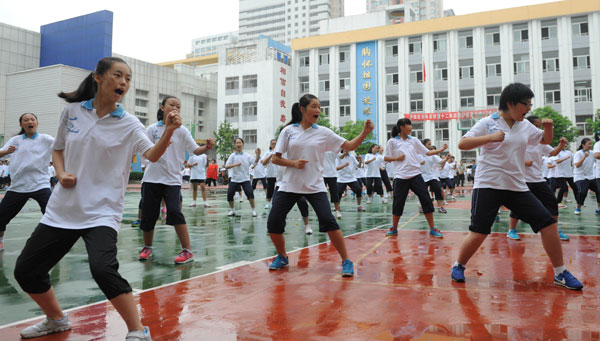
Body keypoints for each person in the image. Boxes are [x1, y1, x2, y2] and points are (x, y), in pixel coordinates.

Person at [12, 57, 183, 339]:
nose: (124, 83)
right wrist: (62, 172)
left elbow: (151, 155)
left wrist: (169, 132)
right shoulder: (73, 112)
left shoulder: (129, 123)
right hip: (63, 209)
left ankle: (138, 331)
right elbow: (58, 149)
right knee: (27, 271)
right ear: (99, 77)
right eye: (118, 75)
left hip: (102, 211)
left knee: (103, 269)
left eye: (128, 79)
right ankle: (56, 319)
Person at [450, 83, 582, 290]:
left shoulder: (525, 126)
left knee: (547, 224)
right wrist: (491, 138)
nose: (529, 108)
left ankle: (560, 273)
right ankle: (459, 265)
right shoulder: (488, 123)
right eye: (525, 104)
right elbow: (463, 144)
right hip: (488, 184)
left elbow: (545, 140)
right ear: (511, 103)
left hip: (517, 185)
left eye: (530, 104)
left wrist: (549, 127)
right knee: (480, 231)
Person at [267, 94, 374, 277]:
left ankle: (346, 261)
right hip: (289, 186)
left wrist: (364, 133)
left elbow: (348, 146)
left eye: (319, 106)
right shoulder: (288, 131)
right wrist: (293, 163)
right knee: (273, 223)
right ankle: (282, 256)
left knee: (329, 221)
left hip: (315, 186)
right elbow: (276, 158)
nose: (317, 110)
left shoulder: (324, 133)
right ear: (302, 109)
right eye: (313, 106)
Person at [138, 96, 214, 265]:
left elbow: (195, 150)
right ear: (162, 107)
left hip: (172, 179)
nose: (175, 108)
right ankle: (147, 247)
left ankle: (187, 250)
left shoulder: (182, 131)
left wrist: (207, 147)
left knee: (174, 211)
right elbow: (146, 151)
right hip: (152, 178)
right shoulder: (151, 129)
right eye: (172, 104)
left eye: (178, 106)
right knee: (148, 213)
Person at [506, 116, 568, 241]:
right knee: (518, 207)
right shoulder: (520, 141)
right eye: (537, 125)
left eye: (540, 126)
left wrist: (561, 146)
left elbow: (552, 153)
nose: (539, 128)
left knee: (552, 203)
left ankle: (554, 229)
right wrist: (523, 161)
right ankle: (511, 230)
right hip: (523, 180)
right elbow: (508, 156)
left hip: (538, 179)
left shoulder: (541, 142)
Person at [0, 113, 54, 253]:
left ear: (37, 123)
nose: (30, 121)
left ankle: (56, 242)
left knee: (52, 214)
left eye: (32, 119)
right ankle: (0, 242)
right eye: (26, 120)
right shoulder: (15, 140)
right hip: (18, 187)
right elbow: (1, 153)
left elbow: (61, 148)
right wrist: (7, 150)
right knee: (1, 216)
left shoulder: (46, 139)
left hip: (40, 184)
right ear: (21, 125)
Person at [384, 120, 446, 237]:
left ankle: (433, 228)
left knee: (426, 200)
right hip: (400, 176)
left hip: (416, 175)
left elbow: (427, 152)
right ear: (402, 127)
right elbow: (386, 158)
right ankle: (394, 227)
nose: (411, 127)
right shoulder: (392, 142)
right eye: (409, 125)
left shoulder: (414, 140)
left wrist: (440, 150)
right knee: (398, 202)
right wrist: (397, 159)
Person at [225, 138, 259, 217]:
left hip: (245, 178)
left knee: (250, 193)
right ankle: (232, 210)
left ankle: (253, 210)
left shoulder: (247, 155)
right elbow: (227, 166)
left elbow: (255, 161)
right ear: (235, 145)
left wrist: (258, 155)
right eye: (236, 143)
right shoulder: (232, 156)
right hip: (234, 179)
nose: (238, 144)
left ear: (243, 144)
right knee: (229, 194)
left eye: (239, 143)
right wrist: (235, 164)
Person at [420, 139, 448, 214]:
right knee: (422, 193)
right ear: (424, 145)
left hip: (432, 176)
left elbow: (441, 161)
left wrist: (446, 159)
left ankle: (440, 207)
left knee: (438, 189)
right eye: (429, 144)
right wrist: (419, 162)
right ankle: (423, 207)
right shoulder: (418, 154)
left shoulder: (432, 155)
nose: (431, 146)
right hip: (422, 177)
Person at [573, 138, 600, 215]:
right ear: (583, 145)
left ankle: (599, 208)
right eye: (589, 144)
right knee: (582, 192)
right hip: (580, 177)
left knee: (599, 191)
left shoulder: (592, 153)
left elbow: (597, 161)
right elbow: (577, 165)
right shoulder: (578, 154)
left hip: (591, 176)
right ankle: (578, 207)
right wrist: (584, 157)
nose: (590, 146)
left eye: (591, 144)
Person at [323, 151, 342, 218]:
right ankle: (324, 210)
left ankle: (337, 211)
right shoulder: (319, 147)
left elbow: (340, 157)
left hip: (332, 174)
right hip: (322, 174)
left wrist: (345, 153)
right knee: (321, 193)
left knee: (334, 193)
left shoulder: (334, 148)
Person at [262, 139, 279, 209]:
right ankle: (268, 203)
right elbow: (263, 163)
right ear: (270, 145)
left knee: (280, 190)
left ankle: (278, 203)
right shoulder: (267, 153)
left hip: (279, 175)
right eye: (273, 144)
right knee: (270, 189)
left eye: (275, 144)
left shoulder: (280, 152)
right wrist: (270, 156)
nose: (274, 145)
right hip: (270, 174)